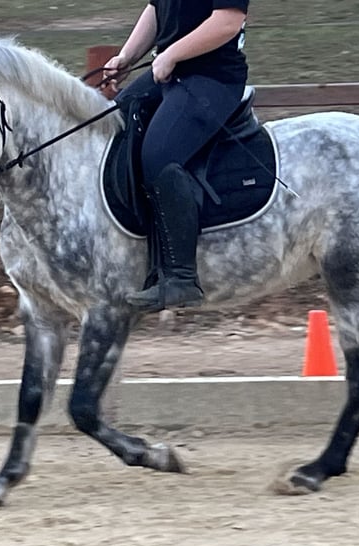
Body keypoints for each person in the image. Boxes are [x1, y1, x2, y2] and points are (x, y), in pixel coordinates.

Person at [104, 0, 250, 313]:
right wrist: (127, 56)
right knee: (113, 123)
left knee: (159, 155)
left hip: (213, 78)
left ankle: (181, 277)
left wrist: (171, 53)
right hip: (170, 75)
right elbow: (157, 9)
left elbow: (228, 21)